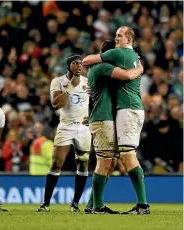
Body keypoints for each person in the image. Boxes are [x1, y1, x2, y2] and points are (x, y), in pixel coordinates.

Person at [82, 26, 150, 215]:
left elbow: (110, 80)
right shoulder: (104, 67)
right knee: (110, 160)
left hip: (119, 113)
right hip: (105, 119)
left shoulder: (108, 65)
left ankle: (93, 205)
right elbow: (127, 75)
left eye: (120, 35)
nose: (117, 38)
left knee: (111, 161)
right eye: (116, 36)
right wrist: (139, 68)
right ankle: (97, 206)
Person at [37, 53, 91, 212]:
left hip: (83, 128)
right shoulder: (58, 81)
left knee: (83, 164)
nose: (79, 66)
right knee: (56, 164)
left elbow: (96, 101)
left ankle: (75, 204)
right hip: (66, 126)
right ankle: (45, 204)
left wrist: (92, 117)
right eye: (76, 63)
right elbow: (56, 104)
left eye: (81, 64)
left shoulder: (87, 82)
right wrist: (71, 87)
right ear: (68, 65)